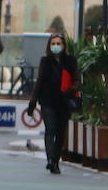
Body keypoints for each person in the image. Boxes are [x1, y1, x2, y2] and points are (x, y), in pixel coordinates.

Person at [26, 33, 79, 174]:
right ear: (49, 46)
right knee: (50, 130)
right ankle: (50, 159)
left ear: (64, 45)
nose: (56, 46)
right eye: (53, 43)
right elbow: (39, 81)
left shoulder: (70, 60)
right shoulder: (45, 61)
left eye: (59, 43)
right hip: (47, 100)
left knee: (61, 133)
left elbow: (77, 80)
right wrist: (33, 101)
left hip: (64, 101)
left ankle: (55, 161)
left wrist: (70, 90)